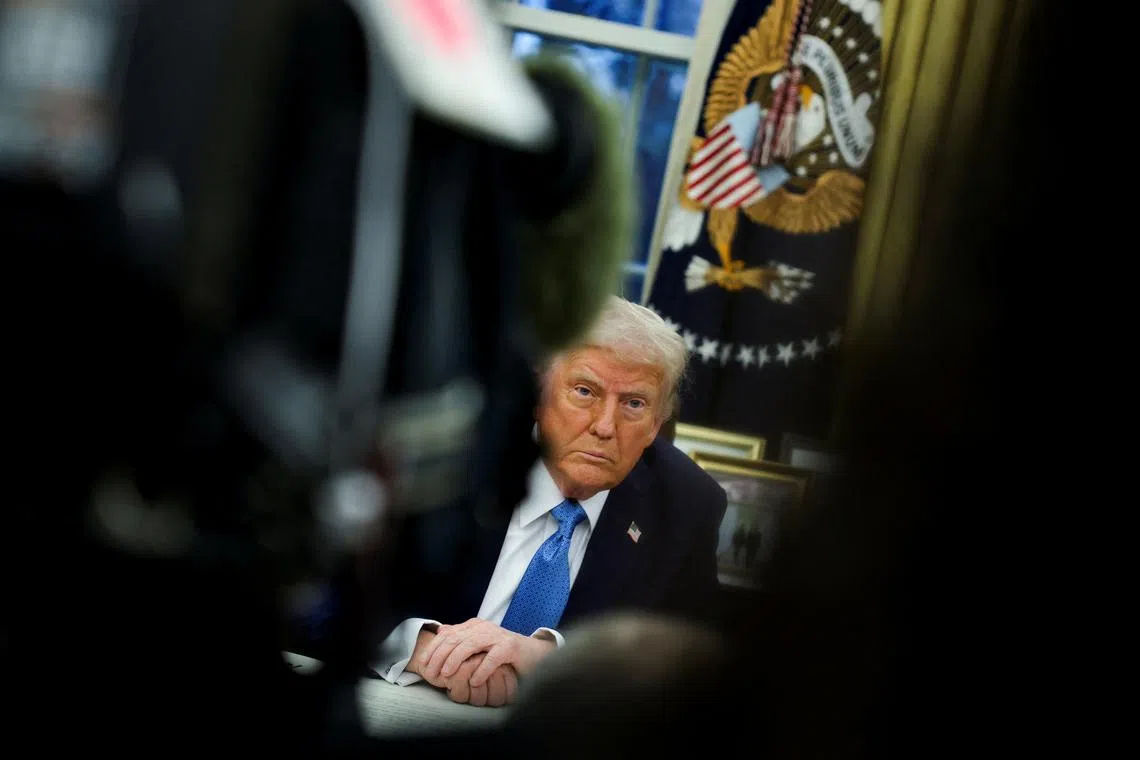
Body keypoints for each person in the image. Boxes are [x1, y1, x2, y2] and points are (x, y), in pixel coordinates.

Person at [372, 296, 727, 706]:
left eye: (634, 403)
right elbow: (317, 596)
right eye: (584, 391)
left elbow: (693, 672)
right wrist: (423, 649)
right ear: (539, 395)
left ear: (657, 424)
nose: (605, 426)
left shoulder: (685, 504)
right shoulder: (453, 452)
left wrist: (548, 658)